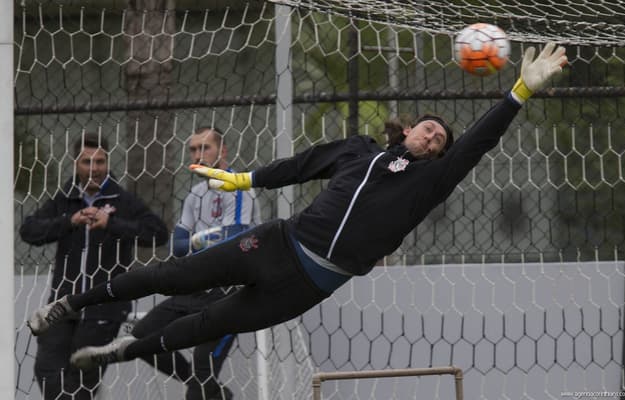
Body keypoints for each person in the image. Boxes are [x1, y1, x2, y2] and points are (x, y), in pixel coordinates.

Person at [27, 43, 568, 372]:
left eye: (441, 141)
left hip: (310, 284)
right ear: (410, 127)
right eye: (430, 127)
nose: (435, 138)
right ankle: (71, 304)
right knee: (172, 275)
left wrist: (519, 91)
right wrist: (243, 178)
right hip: (277, 243)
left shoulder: (431, 181)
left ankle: (120, 352)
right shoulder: (361, 151)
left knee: (210, 323)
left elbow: (478, 142)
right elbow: (302, 164)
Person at [20, 132, 169, 400]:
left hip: (106, 305)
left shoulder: (121, 200)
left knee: (81, 376)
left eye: (100, 162)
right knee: (46, 369)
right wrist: (69, 221)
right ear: (75, 163)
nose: (94, 169)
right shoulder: (64, 200)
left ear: (107, 163)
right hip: (64, 303)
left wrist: (112, 224)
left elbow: (158, 233)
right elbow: (28, 231)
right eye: (87, 162)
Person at [131, 127, 261, 400]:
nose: (198, 155)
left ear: (222, 151)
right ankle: (213, 391)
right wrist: (201, 240)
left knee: (202, 369)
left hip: (228, 293)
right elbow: (177, 247)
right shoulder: (195, 195)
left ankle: (204, 386)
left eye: (205, 148)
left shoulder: (238, 187)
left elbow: (233, 236)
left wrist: (195, 239)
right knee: (143, 337)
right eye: (193, 149)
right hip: (194, 285)